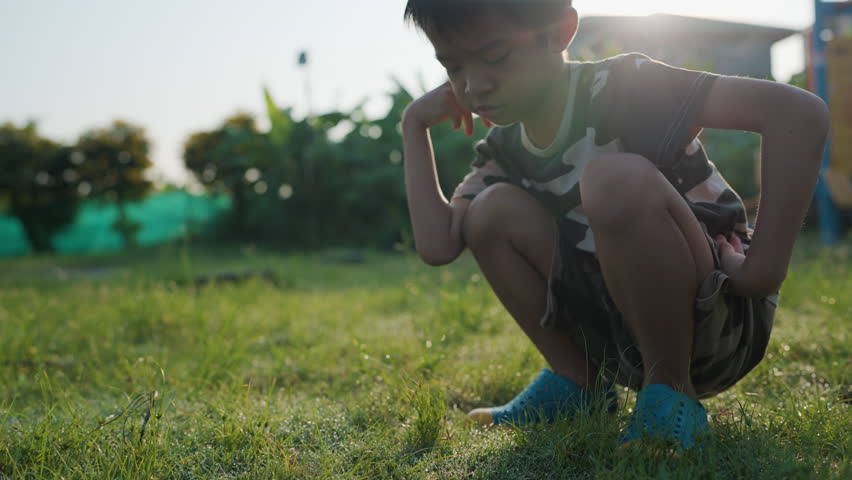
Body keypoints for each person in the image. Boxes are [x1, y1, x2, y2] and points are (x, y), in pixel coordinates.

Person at [400, 0, 829, 450]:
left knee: (612, 180)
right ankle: (577, 383)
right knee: (488, 212)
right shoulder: (503, 148)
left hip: (716, 323)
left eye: (495, 57)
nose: (474, 85)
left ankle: (671, 393)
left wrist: (763, 270)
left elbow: (797, 112)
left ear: (559, 31)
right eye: (453, 66)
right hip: (622, 343)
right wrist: (413, 125)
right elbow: (439, 244)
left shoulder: (625, 87)